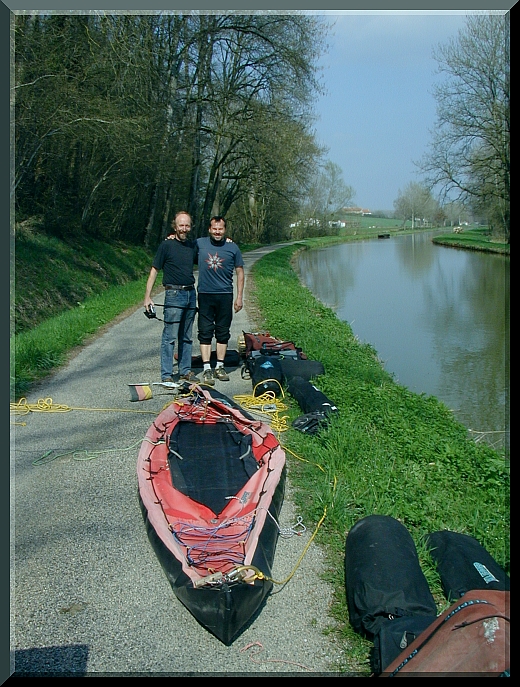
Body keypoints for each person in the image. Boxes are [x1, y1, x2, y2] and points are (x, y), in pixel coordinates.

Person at [144, 211, 200, 384]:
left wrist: (226, 242)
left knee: (187, 337)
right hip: (173, 295)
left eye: (187, 225)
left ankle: (185, 371)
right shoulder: (166, 246)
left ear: (190, 227)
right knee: (170, 338)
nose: (184, 228)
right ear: (175, 226)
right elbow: (154, 270)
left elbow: (209, 254)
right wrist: (147, 297)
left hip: (191, 294)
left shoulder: (193, 246)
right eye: (180, 225)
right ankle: (167, 375)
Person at [196, 216, 244, 385]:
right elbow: (182, 248)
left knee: (223, 332)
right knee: (205, 331)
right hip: (205, 294)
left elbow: (240, 272)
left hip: (225, 295)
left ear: (225, 230)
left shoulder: (232, 247)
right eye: (215, 229)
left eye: (221, 229)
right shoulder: (199, 244)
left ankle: (220, 366)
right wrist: (172, 236)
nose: (217, 232)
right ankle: (207, 368)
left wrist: (239, 297)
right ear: (209, 229)